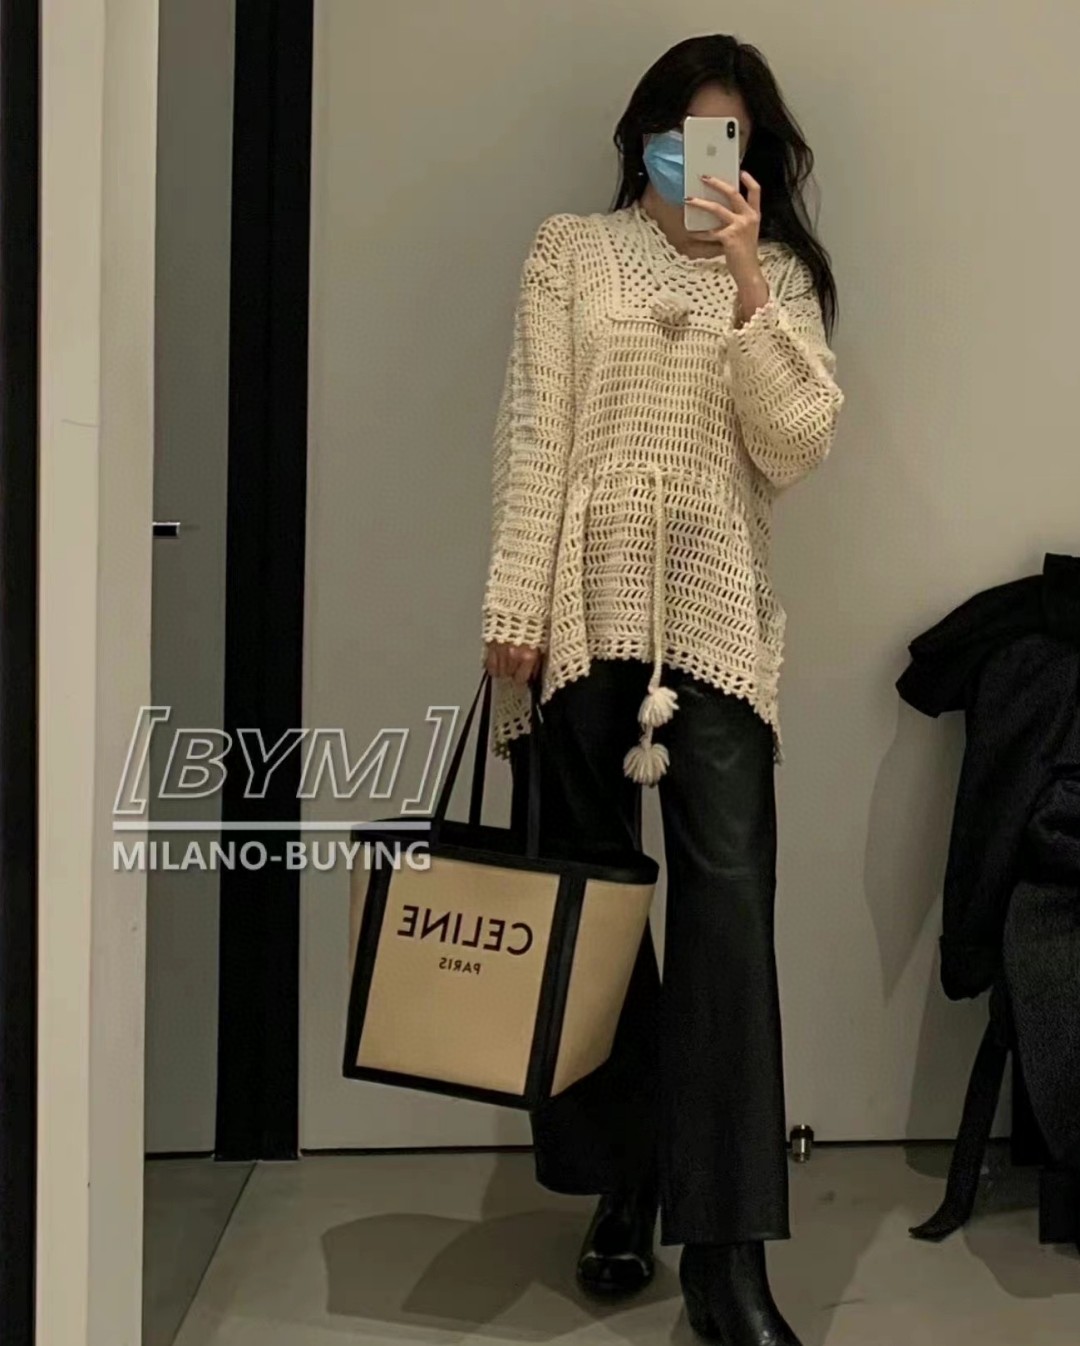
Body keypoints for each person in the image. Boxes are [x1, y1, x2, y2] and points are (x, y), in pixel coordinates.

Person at [481, 33, 843, 1346]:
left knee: (729, 918)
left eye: (727, 140)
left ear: (755, 156)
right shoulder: (570, 251)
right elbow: (537, 428)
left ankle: (728, 1259)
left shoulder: (779, 276)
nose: (702, 162)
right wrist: (514, 603)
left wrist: (745, 277)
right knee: (591, 913)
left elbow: (795, 443)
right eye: (683, 136)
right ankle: (626, 1179)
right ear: (644, 137)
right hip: (579, 617)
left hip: (715, 625)